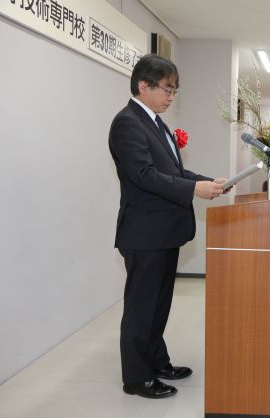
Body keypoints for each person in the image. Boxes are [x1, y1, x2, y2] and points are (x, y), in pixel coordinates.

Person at [108, 54, 228, 399]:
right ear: (143, 86)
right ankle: (136, 378)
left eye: (175, 90)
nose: (171, 97)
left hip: (164, 231)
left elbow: (172, 173)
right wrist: (193, 190)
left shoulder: (156, 123)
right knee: (141, 309)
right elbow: (144, 176)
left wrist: (209, 182)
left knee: (159, 305)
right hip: (144, 233)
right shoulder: (127, 123)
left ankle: (157, 362)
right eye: (167, 89)